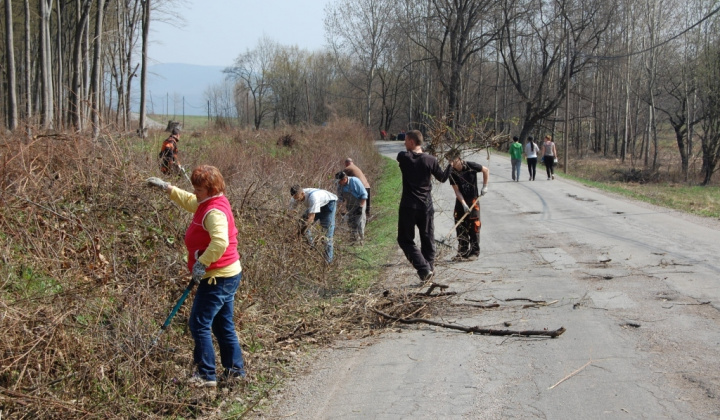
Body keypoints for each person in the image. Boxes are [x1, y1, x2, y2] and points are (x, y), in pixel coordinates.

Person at [146, 166, 246, 388]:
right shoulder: (210, 202)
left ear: (211, 189)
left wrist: (202, 264)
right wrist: (168, 188)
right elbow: (191, 202)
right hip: (227, 273)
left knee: (199, 323)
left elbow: (220, 242)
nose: (195, 192)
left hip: (217, 277)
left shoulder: (214, 212)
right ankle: (235, 372)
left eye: (199, 189)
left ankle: (206, 375)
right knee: (222, 325)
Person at [397, 130, 452, 281]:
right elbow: (442, 178)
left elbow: (409, 155)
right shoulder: (431, 160)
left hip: (408, 206)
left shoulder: (403, 157)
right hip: (426, 207)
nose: (404, 143)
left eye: (406, 141)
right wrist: (450, 164)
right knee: (428, 239)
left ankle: (424, 268)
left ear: (412, 142)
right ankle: (429, 271)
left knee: (404, 239)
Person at [448, 154, 489, 261]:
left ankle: (474, 252)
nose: (451, 163)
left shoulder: (471, 166)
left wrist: (485, 186)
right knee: (460, 226)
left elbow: (485, 170)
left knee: (474, 225)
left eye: (453, 160)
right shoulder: (452, 172)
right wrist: (463, 204)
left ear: (459, 158)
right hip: (461, 202)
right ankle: (463, 251)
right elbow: (456, 190)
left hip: (473, 200)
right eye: (449, 161)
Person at [289, 185, 338, 263]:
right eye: (295, 198)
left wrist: (301, 231)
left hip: (329, 204)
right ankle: (311, 247)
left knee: (327, 235)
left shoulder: (313, 197)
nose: (297, 200)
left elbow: (311, 218)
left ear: (302, 193)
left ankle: (328, 262)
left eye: (298, 198)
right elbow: (290, 214)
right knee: (301, 222)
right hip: (317, 204)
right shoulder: (294, 199)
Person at [335, 171, 368, 243]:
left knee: (359, 222)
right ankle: (354, 240)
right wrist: (340, 210)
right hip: (350, 205)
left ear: (344, 179)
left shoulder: (355, 181)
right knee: (350, 222)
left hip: (360, 203)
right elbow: (340, 198)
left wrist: (361, 207)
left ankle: (361, 241)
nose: (338, 183)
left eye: (339, 181)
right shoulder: (340, 186)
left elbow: (364, 195)